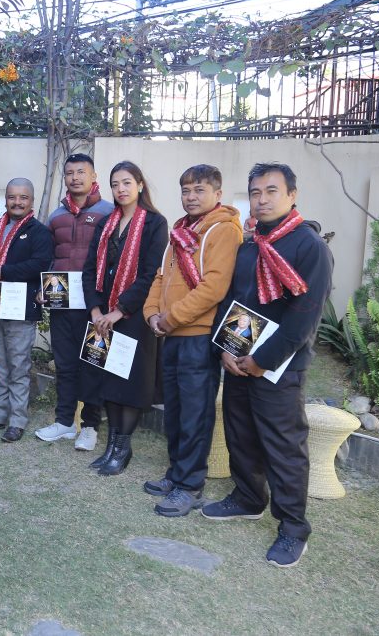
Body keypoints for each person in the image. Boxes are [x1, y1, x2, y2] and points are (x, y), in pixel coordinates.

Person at [202, 162, 333, 569]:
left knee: (283, 446)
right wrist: (225, 348)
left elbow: (304, 317)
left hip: (279, 367)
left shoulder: (309, 247)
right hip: (238, 358)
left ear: (292, 195)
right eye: (255, 192)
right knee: (240, 434)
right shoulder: (249, 245)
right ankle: (248, 498)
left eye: (271, 191)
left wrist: (261, 361)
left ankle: (293, 527)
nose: (261, 200)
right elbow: (234, 303)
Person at [143, 164, 241, 516]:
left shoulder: (224, 231)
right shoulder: (182, 231)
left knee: (195, 414)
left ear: (217, 193)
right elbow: (160, 277)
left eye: (199, 190)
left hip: (198, 338)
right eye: (186, 190)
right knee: (176, 411)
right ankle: (176, 473)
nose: (191, 197)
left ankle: (191, 485)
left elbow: (215, 287)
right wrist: (152, 313)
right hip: (171, 334)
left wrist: (169, 318)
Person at [80, 161, 168, 475]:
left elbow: (150, 275)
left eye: (127, 182)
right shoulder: (107, 222)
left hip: (133, 314)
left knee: (129, 383)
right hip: (103, 315)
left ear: (140, 185)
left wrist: (119, 311)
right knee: (109, 380)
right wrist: (96, 311)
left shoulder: (155, 223)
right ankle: (111, 447)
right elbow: (90, 269)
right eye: (116, 184)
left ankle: (122, 448)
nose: (121, 189)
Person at [35, 153, 114, 451]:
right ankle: (65, 421)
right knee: (65, 364)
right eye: (70, 173)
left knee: (93, 363)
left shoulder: (109, 212)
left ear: (94, 176)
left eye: (82, 172)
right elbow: (51, 258)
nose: (75, 177)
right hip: (62, 303)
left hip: (96, 304)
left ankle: (91, 426)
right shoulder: (56, 216)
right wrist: (43, 289)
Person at [0, 178, 54, 443]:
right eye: (12, 197)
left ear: (31, 201)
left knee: (18, 365)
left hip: (21, 309)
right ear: (6, 199)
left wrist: (2, 272)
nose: (17, 202)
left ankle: (17, 419)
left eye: (23, 197)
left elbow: (39, 264)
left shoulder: (39, 231)